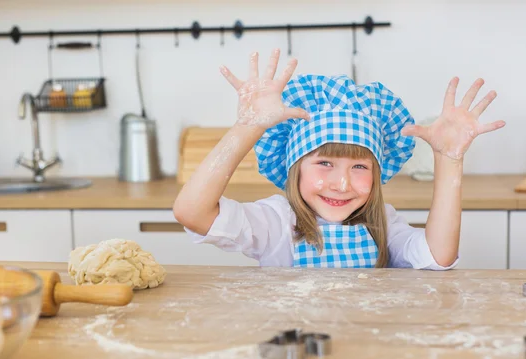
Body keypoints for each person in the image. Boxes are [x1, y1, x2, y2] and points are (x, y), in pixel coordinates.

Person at [173, 48, 505, 269]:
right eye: (325, 163)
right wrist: (248, 126)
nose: (342, 183)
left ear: (377, 172)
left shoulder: (383, 223)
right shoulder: (276, 223)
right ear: (295, 168)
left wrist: (448, 161)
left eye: (359, 166)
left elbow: (438, 256)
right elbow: (192, 212)